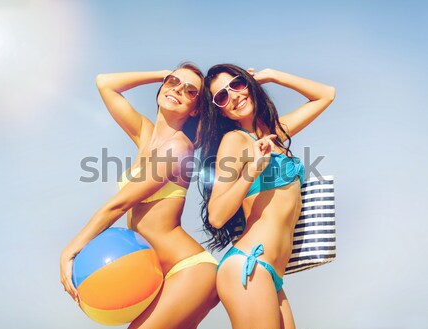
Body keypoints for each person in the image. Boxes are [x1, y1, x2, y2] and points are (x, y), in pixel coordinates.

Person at [60, 63, 219, 329]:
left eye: (189, 90)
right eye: (173, 83)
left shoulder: (178, 148)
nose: (178, 89)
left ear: (196, 108)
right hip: (164, 275)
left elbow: (119, 204)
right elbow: (105, 82)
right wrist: (161, 74)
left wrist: (70, 251)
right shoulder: (145, 134)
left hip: (189, 269)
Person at [198, 64, 335, 329]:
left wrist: (272, 75)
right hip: (251, 264)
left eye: (237, 84)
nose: (234, 96)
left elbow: (326, 94)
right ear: (220, 109)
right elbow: (216, 215)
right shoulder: (234, 141)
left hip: (272, 274)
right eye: (222, 96)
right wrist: (252, 171)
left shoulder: (276, 132)